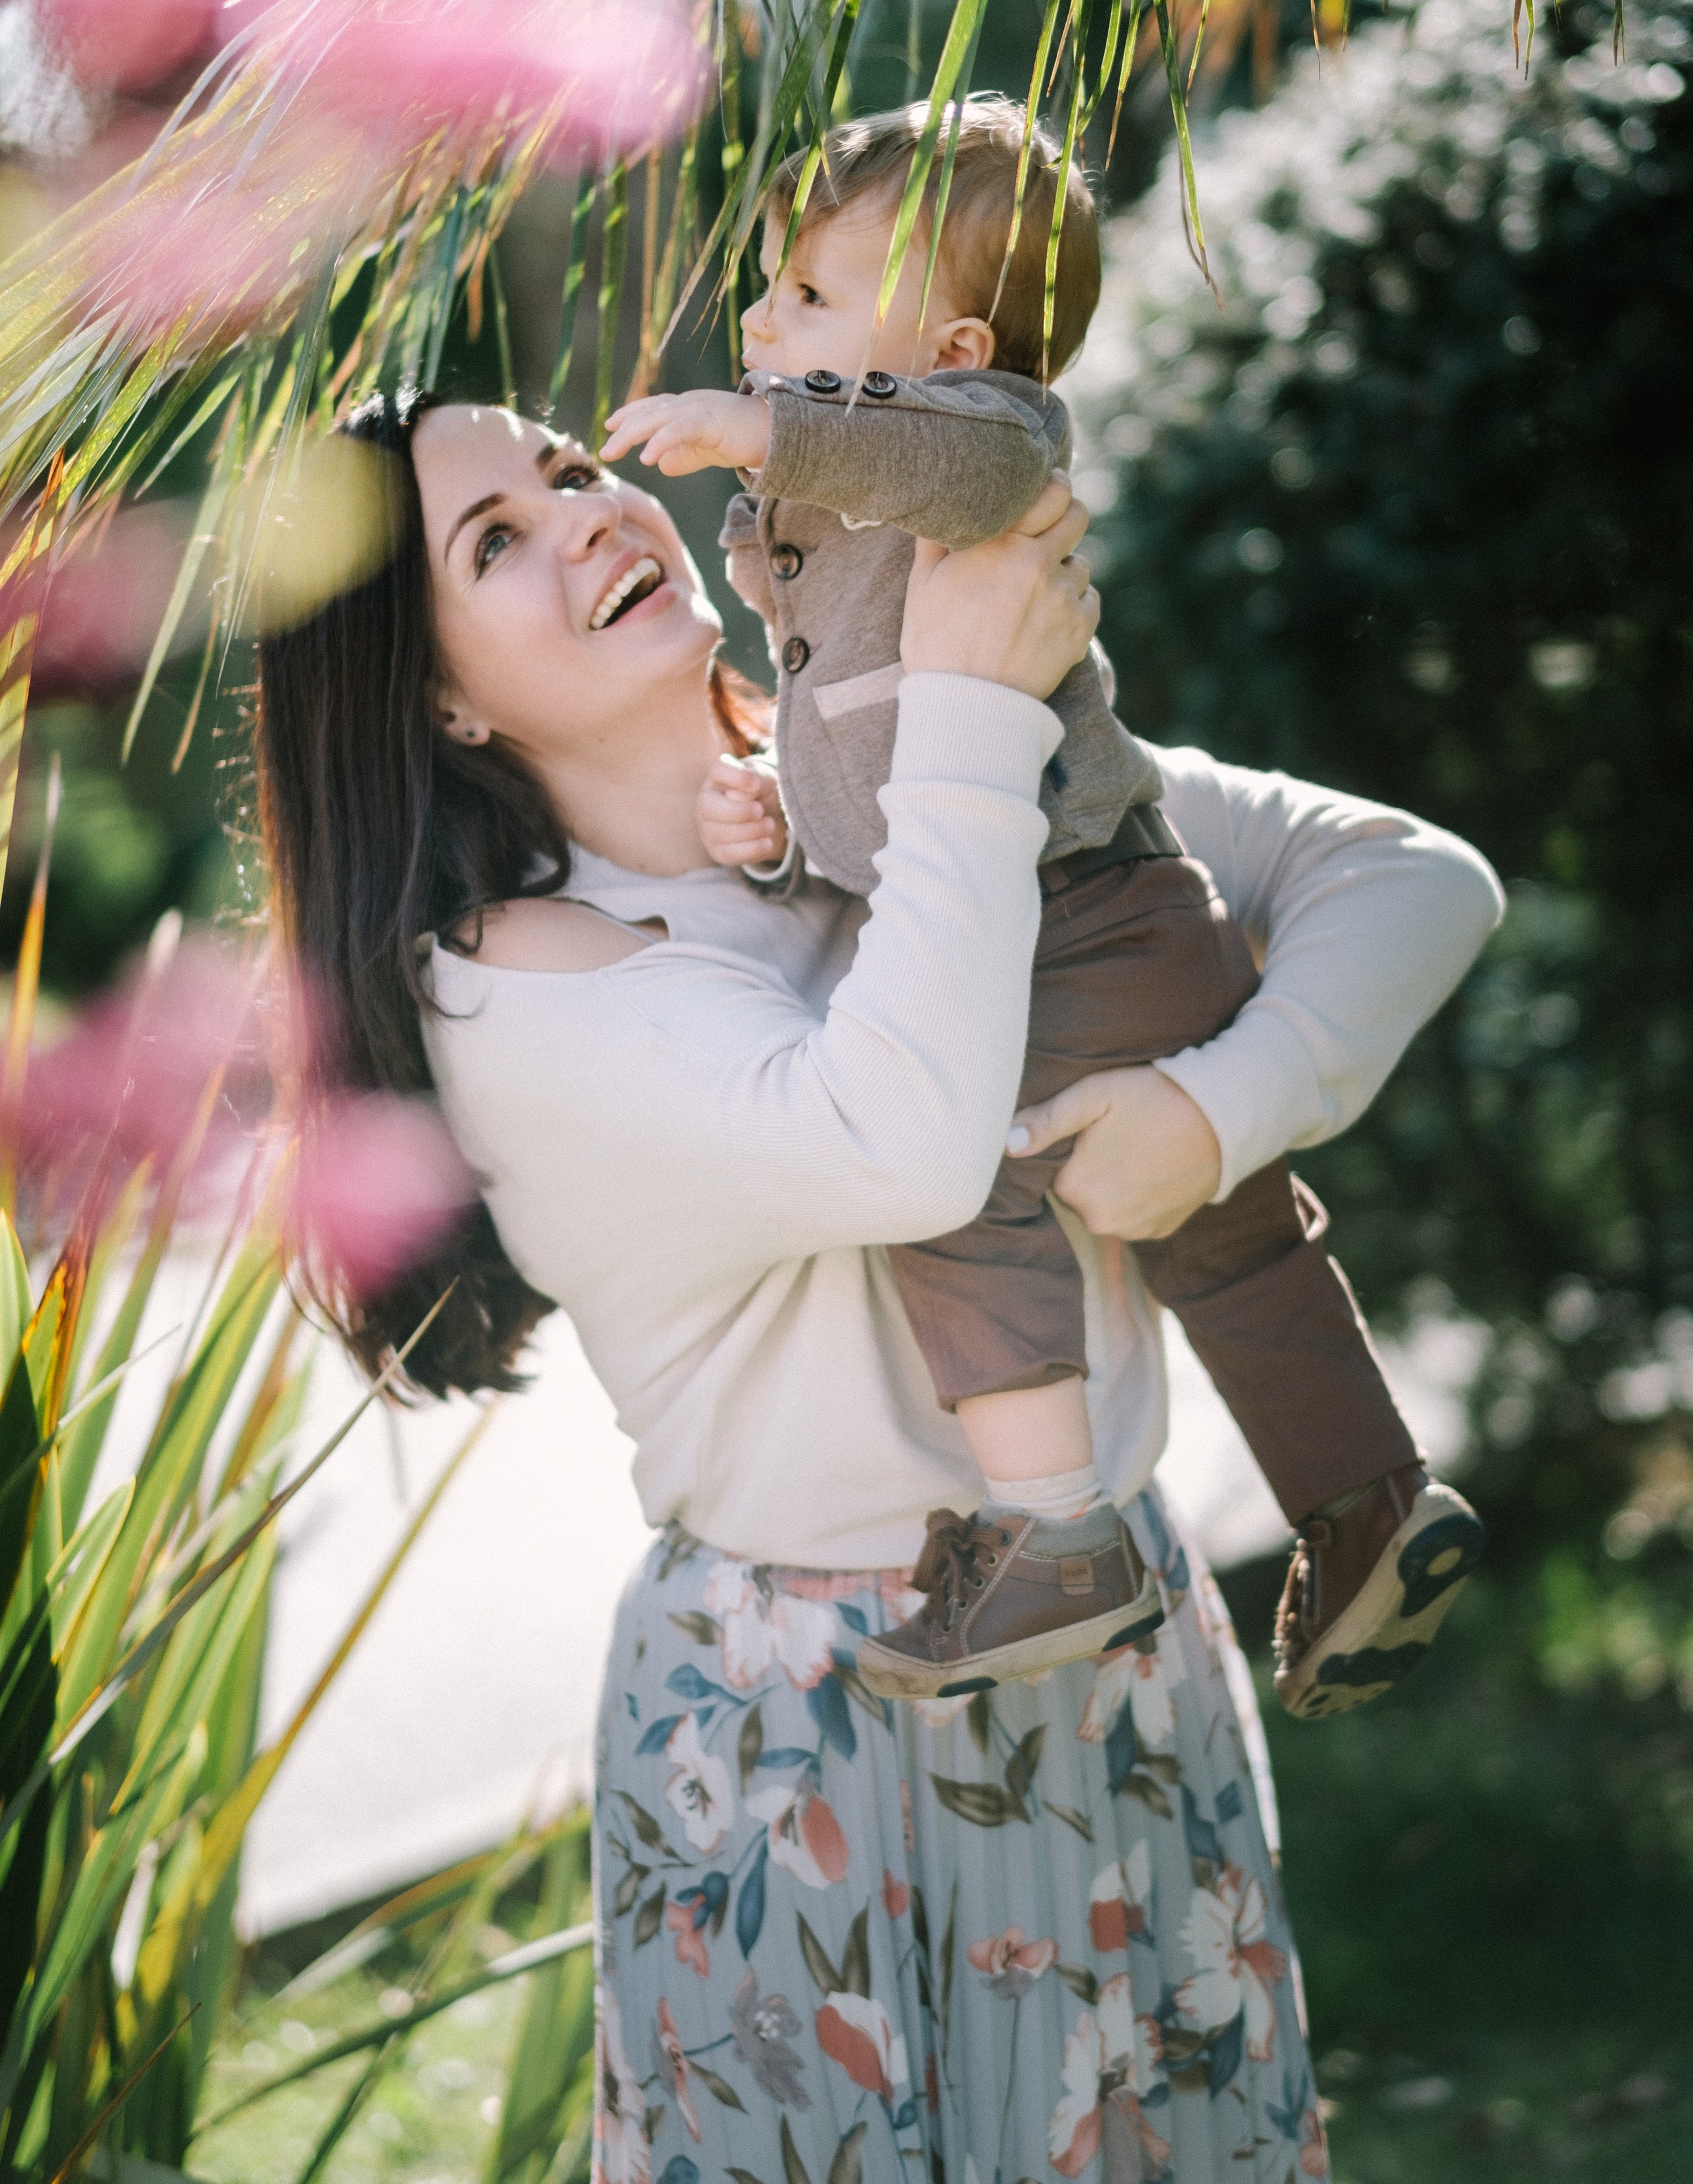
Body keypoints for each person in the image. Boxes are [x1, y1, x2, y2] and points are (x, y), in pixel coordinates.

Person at [256, 388, 1502, 2183]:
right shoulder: (523, 982)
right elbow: (901, 1144)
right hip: (812, 1725)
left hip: (1117, 1642)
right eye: (497, 541)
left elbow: (1406, 881)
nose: (589, 515)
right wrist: (979, 720)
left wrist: (1215, 1112)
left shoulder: (867, 775)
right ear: (437, 697)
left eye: (577, 468)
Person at [599, 96, 1485, 1718]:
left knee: (943, 1170)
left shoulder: (980, 439)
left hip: (1086, 912)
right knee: (1228, 1244)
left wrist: (766, 427)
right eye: (770, 289)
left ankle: (1057, 1532)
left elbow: (961, 461)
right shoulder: (852, 501)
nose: (758, 318)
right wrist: (776, 821)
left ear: (944, 343)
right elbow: (880, 757)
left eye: (805, 292)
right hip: (1110, 922)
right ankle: (1366, 1505)